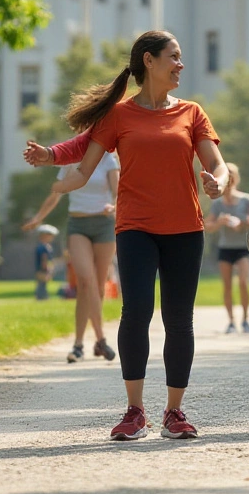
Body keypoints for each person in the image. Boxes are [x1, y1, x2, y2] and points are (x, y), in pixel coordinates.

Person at [23, 30, 228, 441]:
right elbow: (84, 159)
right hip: (135, 227)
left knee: (178, 320)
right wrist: (53, 166)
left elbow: (217, 165)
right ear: (149, 61)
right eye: (174, 57)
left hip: (185, 229)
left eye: (181, 57)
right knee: (136, 314)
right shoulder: (119, 115)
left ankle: (174, 412)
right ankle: (135, 410)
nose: (180, 65)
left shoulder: (191, 112)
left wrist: (217, 183)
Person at [22, 148, 121, 364]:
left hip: (104, 224)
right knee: (85, 281)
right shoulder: (70, 159)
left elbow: (117, 191)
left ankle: (90, 343)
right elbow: (56, 194)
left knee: (98, 285)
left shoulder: (107, 158)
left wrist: (112, 206)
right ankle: (91, 341)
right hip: (78, 224)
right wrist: (39, 218)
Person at [207, 163, 249, 334]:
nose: (229, 182)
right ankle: (231, 321)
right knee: (227, 286)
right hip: (225, 248)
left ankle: (246, 318)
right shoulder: (218, 203)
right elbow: (208, 226)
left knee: (243, 282)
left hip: (242, 247)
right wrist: (220, 222)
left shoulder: (246, 199)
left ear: (235, 179)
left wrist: (242, 223)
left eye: (231, 178)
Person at [33, 224, 58, 301]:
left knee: (42, 284)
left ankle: (41, 297)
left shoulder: (41, 246)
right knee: (42, 284)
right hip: (43, 269)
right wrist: (47, 269)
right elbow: (44, 258)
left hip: (40, 269)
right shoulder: (45, 247)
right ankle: (42, 297)